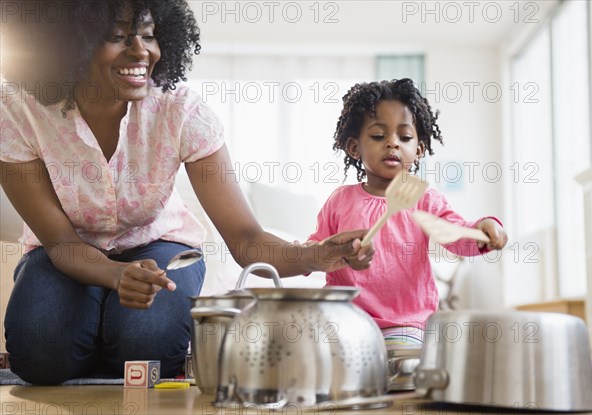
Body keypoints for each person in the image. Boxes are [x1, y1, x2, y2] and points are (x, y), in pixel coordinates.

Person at [0, 0, 373, 385]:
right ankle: (94, 324)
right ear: (66, 46)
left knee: (144, 348)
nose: (141, 51)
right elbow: (61, 244)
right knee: (40, 353)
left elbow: (245, 239)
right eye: (117, 37)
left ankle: (106, 334)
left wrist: (317, 254)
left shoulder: (182, 112)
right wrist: (113, 275)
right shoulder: (17, 110)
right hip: (67, 250)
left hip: (158, 243)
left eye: (148, 35)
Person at [307, 79, 508, 348]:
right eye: (379, 136)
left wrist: (483, 228)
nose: (392, 144)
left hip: (404, 322)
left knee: (401, 367)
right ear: (355, 147)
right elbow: (316, 249)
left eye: (404, 137)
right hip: (345, 318)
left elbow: (455, 234)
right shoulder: (340, 200)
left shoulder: (425, 199)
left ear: (419, 150)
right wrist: (316, 255)